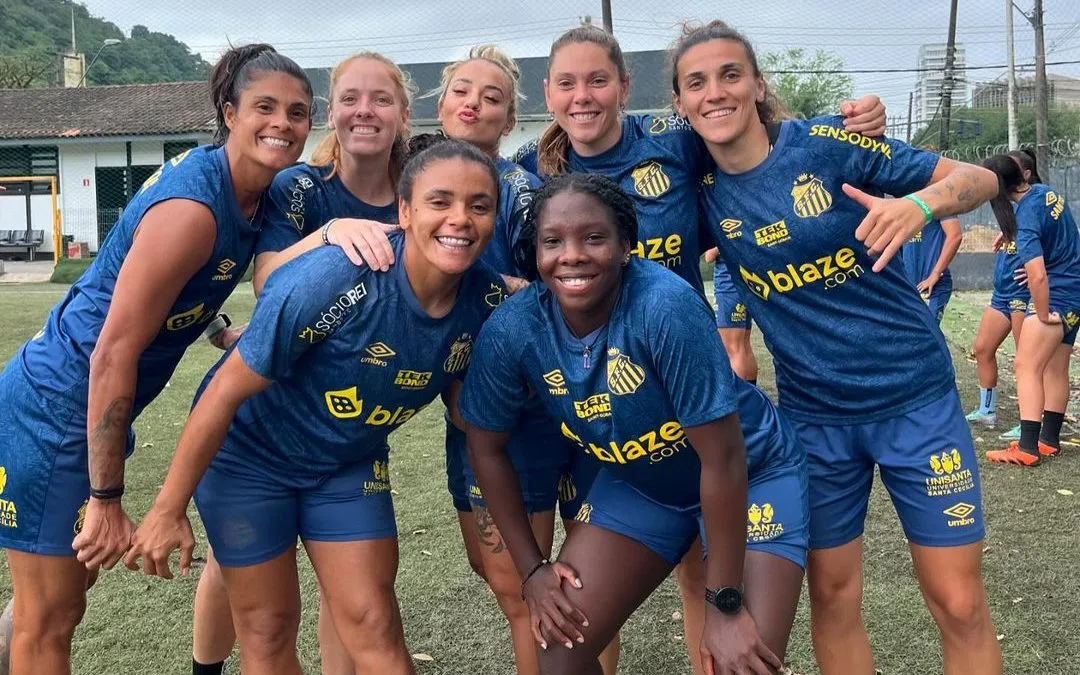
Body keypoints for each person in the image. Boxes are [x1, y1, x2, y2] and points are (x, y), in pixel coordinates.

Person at [510, 25, 886, 672]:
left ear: (625, 87)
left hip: (681, 401)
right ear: (548, 92)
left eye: (598, 80)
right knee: (585, 596)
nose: (584, 97)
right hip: (589, 415)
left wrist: (851, 119)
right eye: (567, 84)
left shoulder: (674, 147)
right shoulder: (528, 177)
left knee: (701, 575)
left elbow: (752, 134)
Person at [671, 20, 1002, 675]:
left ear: (758, 84)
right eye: (696, 82)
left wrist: (921, 208)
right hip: (815, 421)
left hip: (918, 402)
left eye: (730, 74)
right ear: (680, 103)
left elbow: (981, 178)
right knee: (832, 595)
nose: (715, 92)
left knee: (958, 601)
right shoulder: (695, 186)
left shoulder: (830, 143)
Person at [123, 139, 506, 675]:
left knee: (373, 622)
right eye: (439, 202)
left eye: (479, 206)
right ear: (404, 210)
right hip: (248, 461)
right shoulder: (336, 278)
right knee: (269, 629)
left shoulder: (488, 302)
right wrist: (167, 509)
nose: (460, 220)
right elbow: (224, 391)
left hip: (344, 465)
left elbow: (471, 413)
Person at [0, 44, 313, 675]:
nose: (282, 122)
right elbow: (113, 351)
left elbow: (183, 297)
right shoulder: (193, 211)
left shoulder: (254, 195)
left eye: (298, 111)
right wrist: (106, 497)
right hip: (54, 406)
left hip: (75, 402)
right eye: (264, 107)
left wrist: (223, 327)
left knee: (56, 597)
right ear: (229, 112)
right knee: (50, 616)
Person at [460, 173, 809, 675]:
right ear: (535, 255)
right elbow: (485, 447)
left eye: (594, 238)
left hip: (752, 477)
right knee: (559, 657)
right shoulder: (515, 329)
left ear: (626, 245)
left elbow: (725, 459)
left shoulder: (664, 307)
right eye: (552, 241)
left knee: (740, 665)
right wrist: (533, 568)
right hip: (644, 486)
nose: (572, 255)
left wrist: (725, 602)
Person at [190, 50, 413, 675]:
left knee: (357, 597)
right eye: (349, 98)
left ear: (403, 112)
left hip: (349, 421)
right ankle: (205, 667)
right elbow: (267, 280)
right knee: (235, 575)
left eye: (380, 98)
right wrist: (330, 233)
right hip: (264, 417)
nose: (364, 110)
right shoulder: (302, 189)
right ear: (331, 113)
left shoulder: (419, 193)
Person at [985, 152, 1080, 466]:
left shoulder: (1025, 217)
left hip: (1056, 298)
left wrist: (1040, 314)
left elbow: (1037, 275)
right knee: (1055, 367)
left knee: (1026, 366)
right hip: (1074, 296)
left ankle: (1026, 448)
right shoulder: (1045, 192)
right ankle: (1048, 440)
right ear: (1022, 175)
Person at [900, 216, 962, 323]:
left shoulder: (939, 201)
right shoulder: (903, 204)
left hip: (933, 287)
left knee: (927, 332)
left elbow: (955, 236)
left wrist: (936, 273)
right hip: (908, 287)